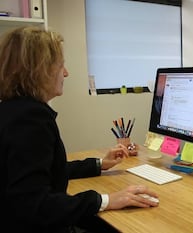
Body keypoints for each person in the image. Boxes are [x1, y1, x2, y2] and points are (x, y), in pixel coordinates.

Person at [0, 26, 159, 233]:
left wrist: (99, 164)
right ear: (39, 70)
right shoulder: (30, 119)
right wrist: (106, 200)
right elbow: (34, 205)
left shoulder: (11, 110)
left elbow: (41, 173)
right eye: (61, 66)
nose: (66, 73)